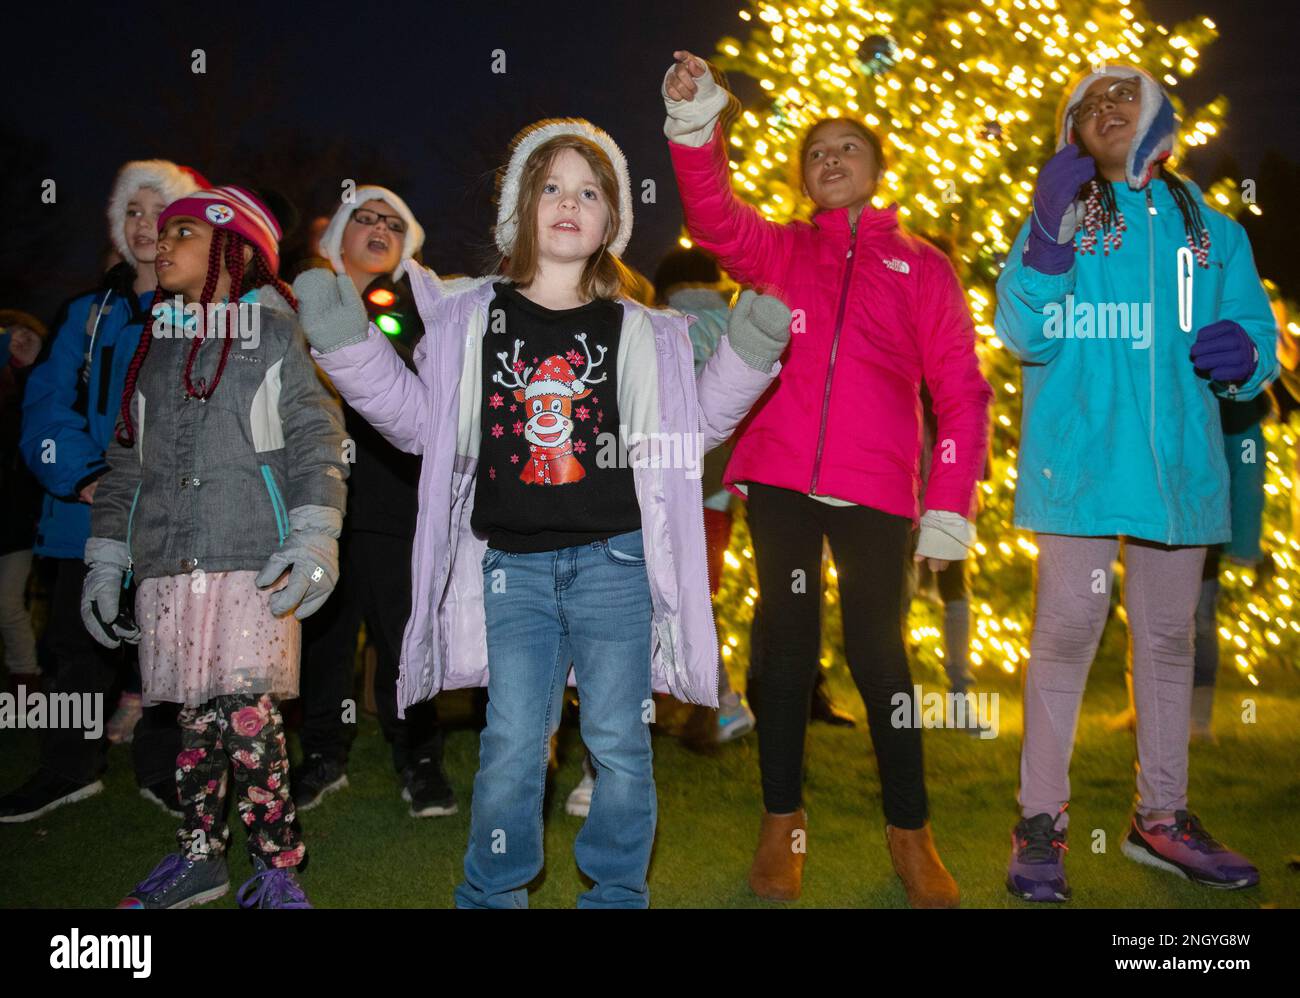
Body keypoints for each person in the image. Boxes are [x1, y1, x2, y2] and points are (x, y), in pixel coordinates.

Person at [295, 117, 786, 908]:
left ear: (611, 220)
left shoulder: (641, 329)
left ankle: (617, 892)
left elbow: (684, 432)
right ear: (521, 209)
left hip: (617, 564)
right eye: (550, 186)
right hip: (511, 570)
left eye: (589, 191)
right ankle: (493, 893)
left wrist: (746, 356)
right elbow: (421, 422)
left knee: (620, 741)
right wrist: (346, 341)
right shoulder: (468, 317)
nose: (569, 202)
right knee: (514, 743)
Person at [662, 51, 991, 907]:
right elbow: (713, 212)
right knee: (783, 651)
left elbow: (961, 389)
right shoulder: (778, 251)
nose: (831, 159)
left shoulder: (923, 267)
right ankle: (783, 825)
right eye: (817, 152)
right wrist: (699, 126)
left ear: (878, 170)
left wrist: (951, 499)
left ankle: (911, 834)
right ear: (804, 177)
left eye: (849, 148)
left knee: (881, 656)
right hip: (777, 479)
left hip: (879, 487)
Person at [996, 66, 1276, 902]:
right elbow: (1022, 333)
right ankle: (1039, 827)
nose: (1105, 110)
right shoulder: (1064, 218)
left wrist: (1245, 360)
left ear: (1160, 119)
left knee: (1166, 639)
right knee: (1068, 630)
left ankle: (1162, 820)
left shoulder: (1215, 231)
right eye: (1085, 104)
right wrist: (1046, 240)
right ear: (1069, 135)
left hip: (1180, 475)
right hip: (1081, 466)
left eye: (1124, 97)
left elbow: (1256, 336)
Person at [86, 186, 348, 908]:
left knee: (245, 711)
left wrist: (314, 531)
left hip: (251, 558)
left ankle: (276, 869)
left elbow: (317, 437)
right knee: (196, 718)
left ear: (235, 251)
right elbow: (124, 465)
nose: (162, 245)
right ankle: (201, 855)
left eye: (183, 233)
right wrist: (106, 559)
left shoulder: (275, 334)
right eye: (160, 233)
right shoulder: (156, 352)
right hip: (172, 565)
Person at [1, 162, 204, 823]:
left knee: (169, 654)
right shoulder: (85, 314)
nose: (148, 227)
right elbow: (46, 406)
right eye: (135, 213)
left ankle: (163, 768)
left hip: (173, 522)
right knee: (73, 649)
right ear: (119, 227)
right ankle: (67, 767)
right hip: (82, 520)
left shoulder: (209, 315)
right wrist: (84, 476)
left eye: (163, 215)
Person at [293, 186, 457, 817]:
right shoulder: (295, 304)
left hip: (396, 499)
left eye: (393, 222)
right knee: (324, 635)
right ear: (339, 234)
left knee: (402, 635)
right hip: (318, 501)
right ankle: (324, 754)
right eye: (365, 218)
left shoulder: (421, 311)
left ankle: (419, 757)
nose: (379, 228)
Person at [0, 312, 47, 690]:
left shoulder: (35, 389)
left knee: (7, 603)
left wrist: (29, 366)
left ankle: (25, 678)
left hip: (18, 521)